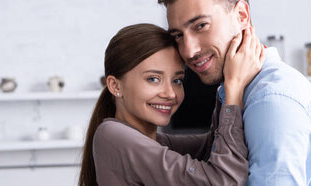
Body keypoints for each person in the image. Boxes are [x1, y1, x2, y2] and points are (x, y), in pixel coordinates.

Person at [158, 0, 311, 185]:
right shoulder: (238, 91)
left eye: (201, 26)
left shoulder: (271, 101)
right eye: (178, 36)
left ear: (241, 15)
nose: (189, 51)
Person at [79, 23, 264, 186]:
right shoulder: (113, 136)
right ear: (115, 85)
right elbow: (223, 180)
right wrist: (234, 86)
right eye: (153, 79)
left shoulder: (154, 142)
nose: (170, 94)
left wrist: (225, 76)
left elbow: (213, 144)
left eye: (177, 80)